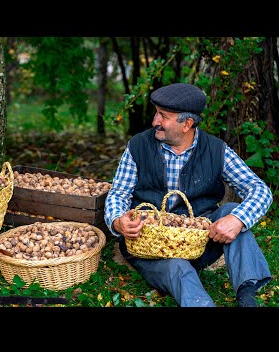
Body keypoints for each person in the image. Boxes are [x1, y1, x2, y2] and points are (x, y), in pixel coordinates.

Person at [104, 82, 272, 307]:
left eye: (163, 116)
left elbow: (259, 189)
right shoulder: (138, 146)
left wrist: (237, 219)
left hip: (199, 242)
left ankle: (247, 293)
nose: (155, 121)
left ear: (187, 124)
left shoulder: (215, 149)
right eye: (156, 113)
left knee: (234, 212)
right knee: (177, 267)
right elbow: (118, 193)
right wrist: (117, 220)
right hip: (150, 248)